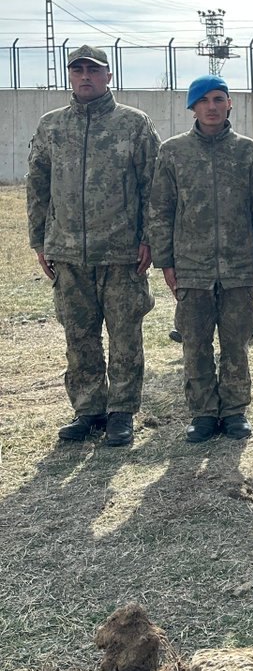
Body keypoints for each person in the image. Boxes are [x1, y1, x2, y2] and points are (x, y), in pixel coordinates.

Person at [26, 45, 160, 447]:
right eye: (78, 70)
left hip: (121, 252)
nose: (85, 76)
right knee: (78, 336)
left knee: (124, 336)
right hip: (67, 252)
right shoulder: (52, 127)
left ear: (108, 76)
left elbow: (153, 187)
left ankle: (121, 411)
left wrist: (149, 238)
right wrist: (39, 240)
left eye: (93, 70)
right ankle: (88, 410)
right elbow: (38, 185)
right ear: (70, 76)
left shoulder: (134, 125)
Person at [148, 76, 253, 443]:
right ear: (192, 108)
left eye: (219, 99)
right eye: (203, 101)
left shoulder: (248, 152)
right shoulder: (173, 151)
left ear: (230, 104)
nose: (211, 106)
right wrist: (166, 262)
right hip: (192, 267)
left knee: (236, 342)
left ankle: (233, 411)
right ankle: (202, 412)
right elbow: (161, 209)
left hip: (237, 267)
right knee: (195, 343)